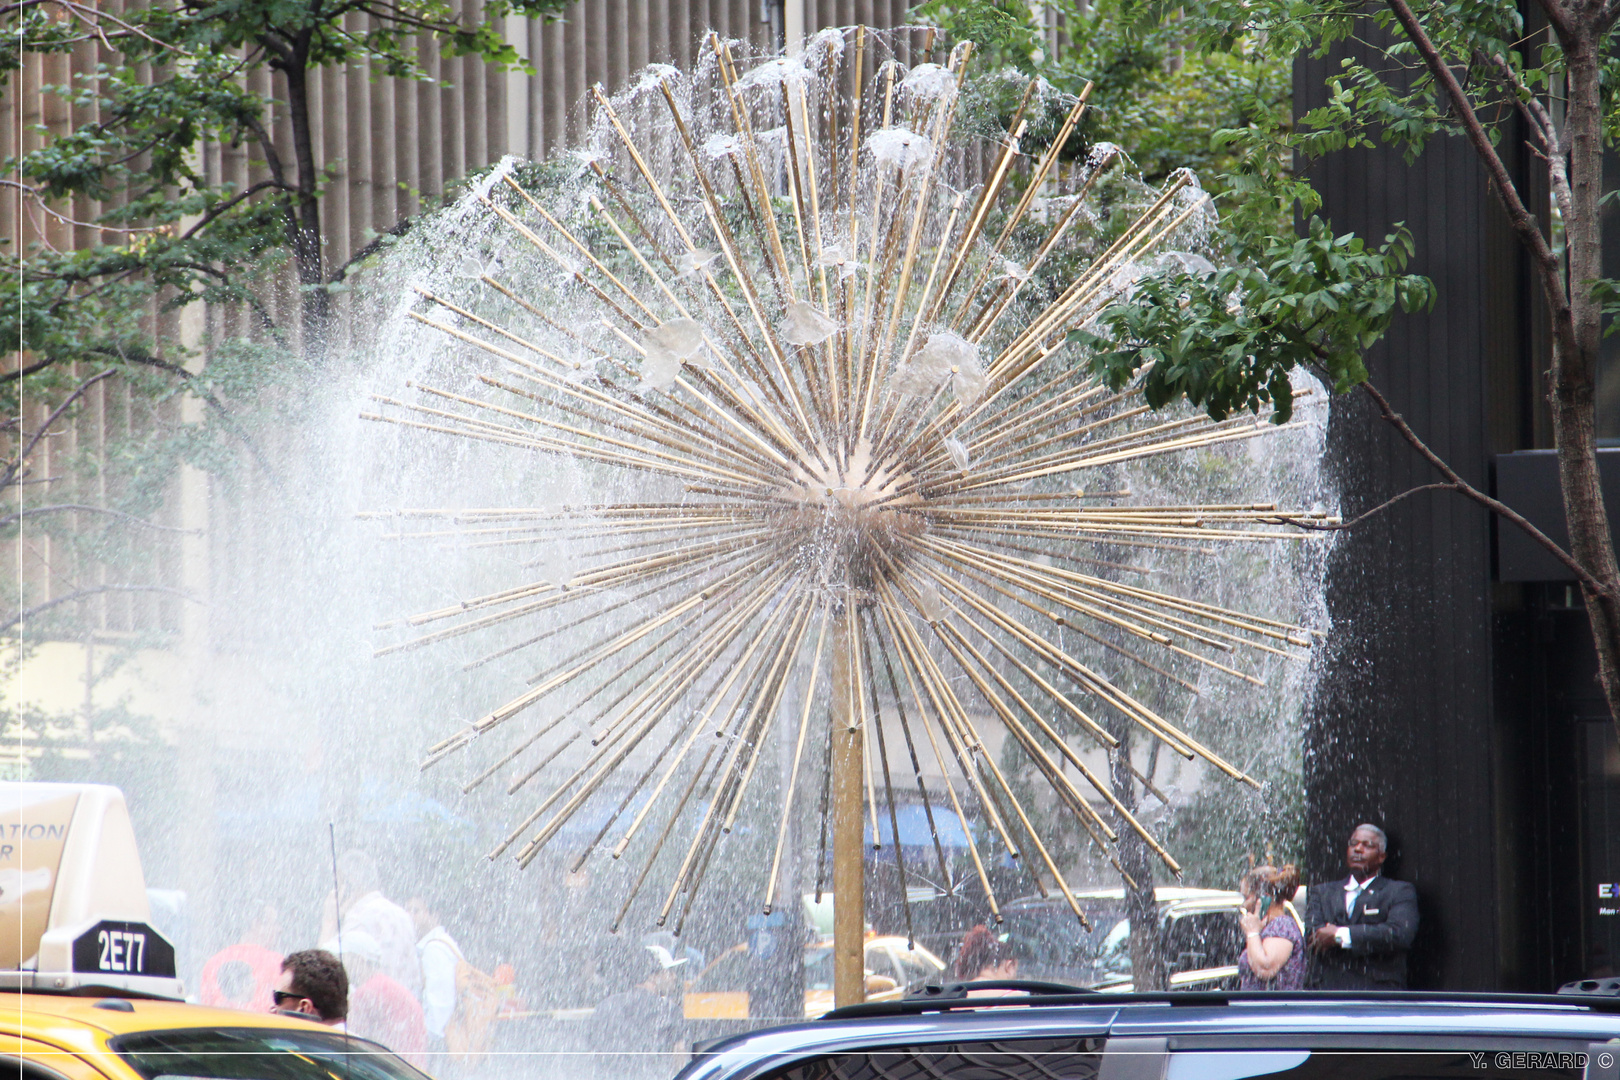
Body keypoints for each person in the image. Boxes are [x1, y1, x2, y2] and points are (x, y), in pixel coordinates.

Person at [1305, 823, 1420, 988]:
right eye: (1353, 843)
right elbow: (1312, 934)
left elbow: (1399, 934)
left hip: (1376, 994)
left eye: (1367, 845)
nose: (1358, 849)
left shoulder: (1398, 891)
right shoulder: (1322, 892)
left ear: (1382, 856)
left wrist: (1340, 935)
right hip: (1328, 993)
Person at [322, 850, 422, 995]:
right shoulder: (401, 915)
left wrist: (329, 920)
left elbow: (323, 973)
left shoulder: (359, 917)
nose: (333, 891)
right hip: (403, 1006)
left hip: (372, 1009)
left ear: (349, 886)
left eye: (337, 884)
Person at [589, 939, 686, 1080]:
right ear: (653, 975)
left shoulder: (605, 1006)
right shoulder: (670, 1010)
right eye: (669, 971)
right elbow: (679, 1056)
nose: (675, 977)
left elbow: (593, 1050)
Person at [333, 930, 427, 1066]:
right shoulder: (389, 987)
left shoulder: (366, 993)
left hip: (386, 1069)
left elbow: (349, 1042)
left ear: (359, 959)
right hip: (410, 1070)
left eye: (343, 957)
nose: (339, 964)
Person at [200, 905, 283, 1011]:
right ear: (256, 924)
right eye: (274, 923)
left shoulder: (213, 963)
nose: (279, 929)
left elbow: (207, 1009)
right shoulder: (277, 963)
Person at [1237, 863, 1305, 990]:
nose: (1244, 905)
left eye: (1246, 897)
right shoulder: (1270, 928)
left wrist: (1252, 932)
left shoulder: (1282, 926)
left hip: (1274, 1009)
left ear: (1264, 898)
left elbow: (1265, 968)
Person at [408, 897, 461, 1053]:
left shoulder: (434, 949)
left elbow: (440, 1006)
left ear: (434, 916)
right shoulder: (436, 945)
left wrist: (428, 1041)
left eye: (416, 911)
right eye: (407, 910)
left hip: (441, 1044)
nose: (410, 915)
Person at [271, 949, 348, 1027]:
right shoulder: (350, 1038)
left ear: (304, 1008)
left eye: (277, 998)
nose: (272, 1009)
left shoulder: (280, 1038)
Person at [951, 924, 1020, 997]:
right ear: (1009, 967)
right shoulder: (1013, 996)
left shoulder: (957, 996)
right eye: (1015, 973)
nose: (1015, 979)